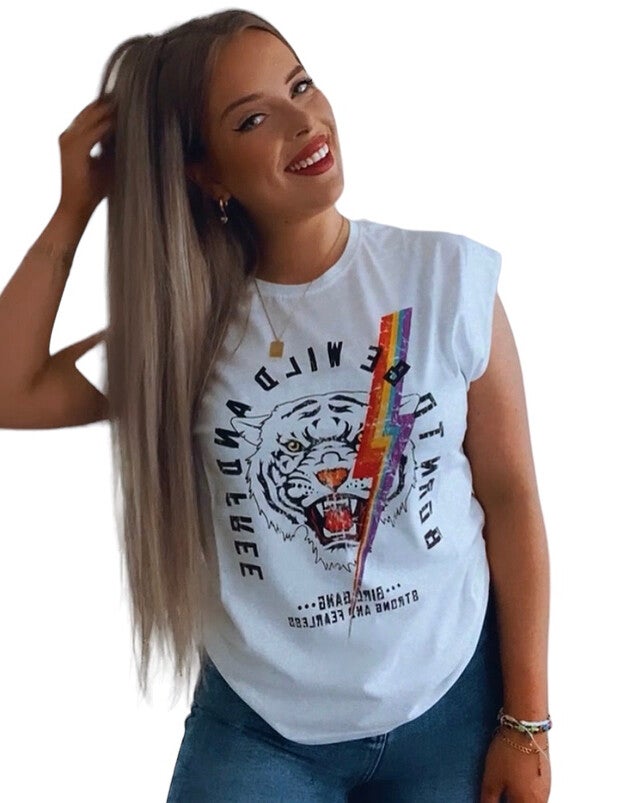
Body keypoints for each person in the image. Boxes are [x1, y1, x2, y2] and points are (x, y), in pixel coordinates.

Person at [0, 8, 551, 802]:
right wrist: (73, 209)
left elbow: (511, 497)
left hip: (451, 702)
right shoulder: (185, 333)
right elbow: (11, 389)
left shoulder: (446, 278)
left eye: (300, 86)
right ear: (207, 175)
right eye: (252, 119)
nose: (304, 122)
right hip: (262, 726)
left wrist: (526, 720)